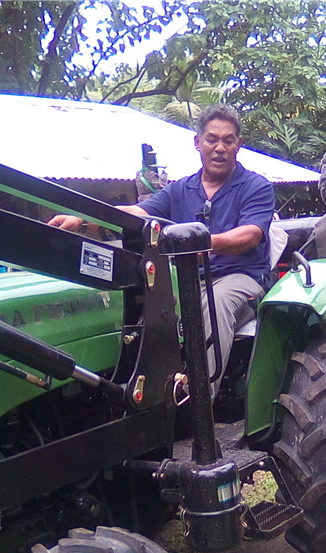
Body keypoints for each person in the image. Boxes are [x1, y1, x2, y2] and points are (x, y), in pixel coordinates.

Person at [48, 104, 275, 397]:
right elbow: (136, 213)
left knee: (214, 302)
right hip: (187, 281)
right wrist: (83, 220)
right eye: (212, 139)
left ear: (238, 145)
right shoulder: (180, 190)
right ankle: (133, 390)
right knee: (138, 302)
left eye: (228, 140)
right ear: (198, 143)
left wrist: (201, 243)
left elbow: (250, 235)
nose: (219, 148)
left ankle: (197, 399)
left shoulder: (256, 187)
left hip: (238, 278)